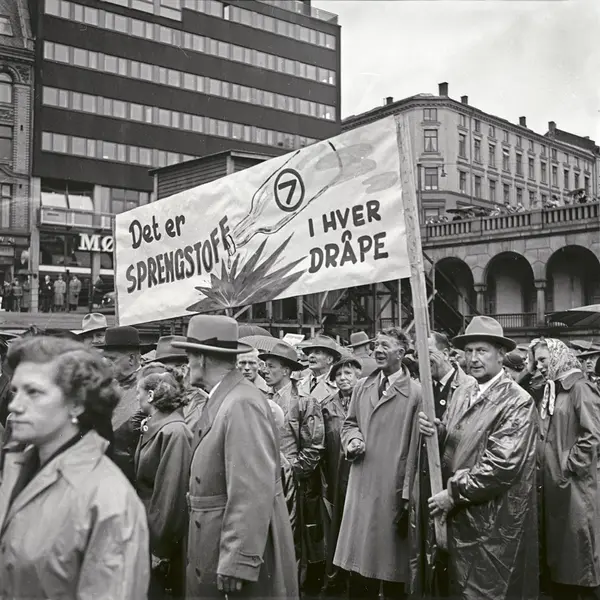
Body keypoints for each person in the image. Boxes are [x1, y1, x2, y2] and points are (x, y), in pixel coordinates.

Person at [0, 336, 149, 598]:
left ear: (77, 403)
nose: (15, 405)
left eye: (33, 392)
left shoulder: (109, 498)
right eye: (16, 390)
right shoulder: (20, 466)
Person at [172, 316, 298, 600]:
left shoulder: (241, 402)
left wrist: (237, 560)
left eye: (189, 355)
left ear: (202, 358)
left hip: (230, 549)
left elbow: (251, 489)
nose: (186, 364)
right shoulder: (228, 397)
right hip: (215, 537)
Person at [419, 316, 539, 600]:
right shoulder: (463, 392)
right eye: (468, 351)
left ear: (501, 354)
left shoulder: (517, 401)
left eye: (481, 351)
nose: (473, 358)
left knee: (488, 589)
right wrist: (437, 432)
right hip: (460, 516)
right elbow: (457, 440)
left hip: (493, 520)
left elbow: (502, 465)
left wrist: (453, 494)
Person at [334, 327, 421, 600]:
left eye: (385, 345)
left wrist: (407, 494)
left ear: (401, 353)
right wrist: (352, 440)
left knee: (391, 569)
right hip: (361, 485)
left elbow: (416, 449)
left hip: (391, 489)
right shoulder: (363, 386)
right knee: (359, 568)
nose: (378, 350)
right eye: (376, 345)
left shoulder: (416, 394)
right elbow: (349, 424)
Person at [532, 337, 600, 600]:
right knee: (564, 551)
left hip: (574, 485)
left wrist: (569, 465)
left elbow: (593, 434)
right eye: (536, 361)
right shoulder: (554, 388)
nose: (538, 366)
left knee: (579, 548)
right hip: (557, 483)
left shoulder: (580, 387)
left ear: (558, 356)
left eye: (542, 360)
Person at [409, 331, 474, 598]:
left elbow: (469, 438)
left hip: (454, 484)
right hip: (425, 478)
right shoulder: (422, 388)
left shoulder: (468, 386)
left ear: (447, 353)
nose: (422, 361)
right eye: (418, 355)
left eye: (428, 353)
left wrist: (442, 433)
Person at [259, 341, 326, 593]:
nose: (265, 371)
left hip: (294, 484)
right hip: (265, 477)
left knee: (293, 536)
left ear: (286, 370)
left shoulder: (305, 402)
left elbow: (314, 447)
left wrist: (293, 473)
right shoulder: (261, 399)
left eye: (271, 366)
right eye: (265, 366)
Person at [135, 369, 192, 600]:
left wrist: (160, 548)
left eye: (138, 392)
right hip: (149, 530)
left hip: (161, 539)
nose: (136, 397)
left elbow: (171, 495)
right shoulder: (158, 426)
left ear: (150, 396)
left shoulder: (174, 432)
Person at [321, 355, 362, 596]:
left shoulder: (367, 401)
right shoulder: (327, 405)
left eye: (348, 373)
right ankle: (337, 576)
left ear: (358, 376)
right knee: (336, 523)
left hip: (360, 471)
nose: (343, 378)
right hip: (335, 474)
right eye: (338, 375)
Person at [102, 326, 142, 482]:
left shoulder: (149, 385)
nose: (106, 364)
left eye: (112, 359)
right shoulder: (109, 385)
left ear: (131, 359)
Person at [148, 335, 208, 435]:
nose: (159, 377)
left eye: (165, 371)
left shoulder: (199, 405)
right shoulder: (163, 398)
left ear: (183, 370)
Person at [299, 335, 340, 402]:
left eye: (317, 353)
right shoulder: (300, 383)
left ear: (329, 359)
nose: (311, 356)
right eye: (310, 353)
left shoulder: (338, 384)